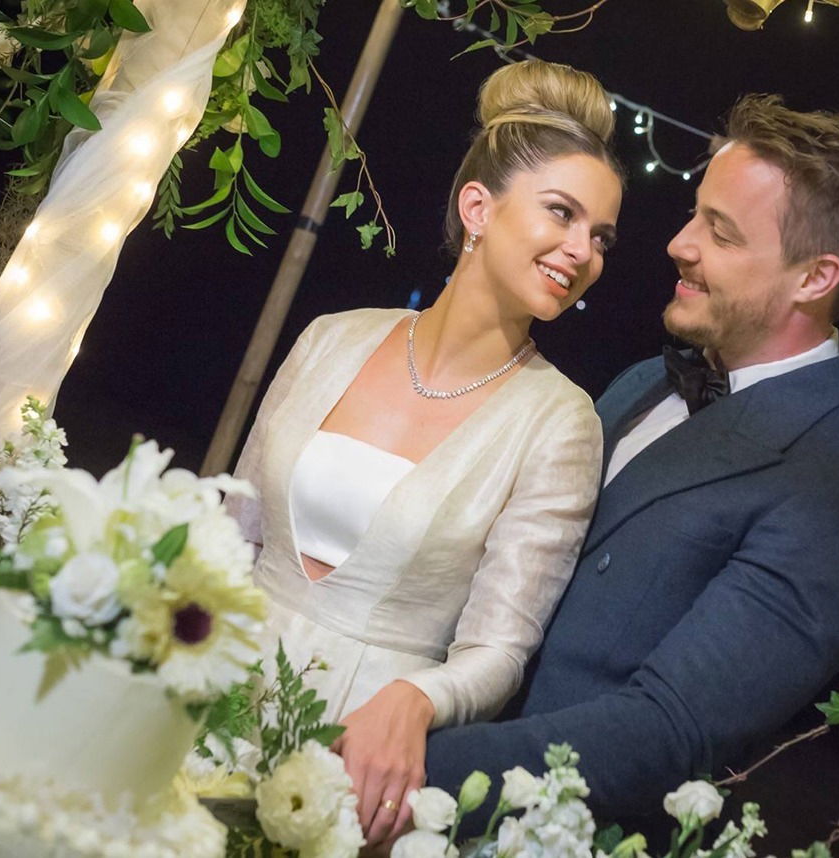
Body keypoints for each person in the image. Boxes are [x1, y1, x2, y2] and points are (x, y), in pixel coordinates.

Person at [424, 94, 839, 820]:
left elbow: (660, 736)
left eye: (720, 232)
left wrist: (403, 768)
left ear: (814, 278)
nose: (679, 244)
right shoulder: (644, 381)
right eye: (695, 214)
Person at [227, 60, 623, 844]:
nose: (582, 251)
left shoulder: (560, 422)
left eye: (601, 237)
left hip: (356, 754)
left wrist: (416, 701)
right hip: (215, 680)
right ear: (478, 207)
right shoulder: (331, 338)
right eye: (561, 213)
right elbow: (233, 532)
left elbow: (499, 650)